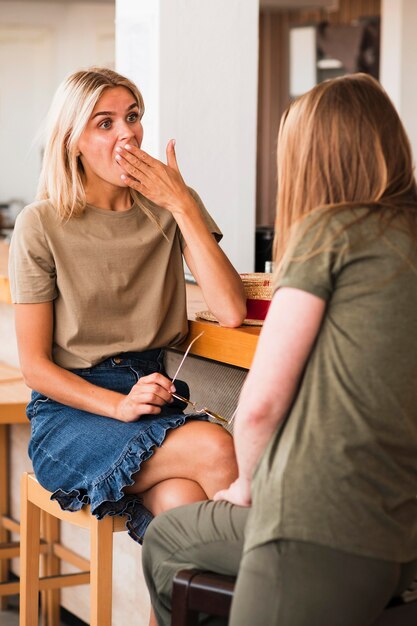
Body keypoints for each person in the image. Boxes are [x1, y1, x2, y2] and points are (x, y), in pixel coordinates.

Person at [142, 73, 417, 626]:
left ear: (308, 160)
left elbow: (261, 405)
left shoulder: (331, 231)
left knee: (167, 537)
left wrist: (247, 486)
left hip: (318, 528)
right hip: (401, 531)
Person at [9, 67, 246, 549]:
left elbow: (231, 309)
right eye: (105, 123)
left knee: (183, 507)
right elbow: (35, 367)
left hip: (152, 397)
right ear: (73, 139)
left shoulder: (169, 204)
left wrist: (182, 205)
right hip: (71, 412)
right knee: (218, 448)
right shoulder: (41, 223)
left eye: (132, 117)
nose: (128, 135)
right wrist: (118, 405)